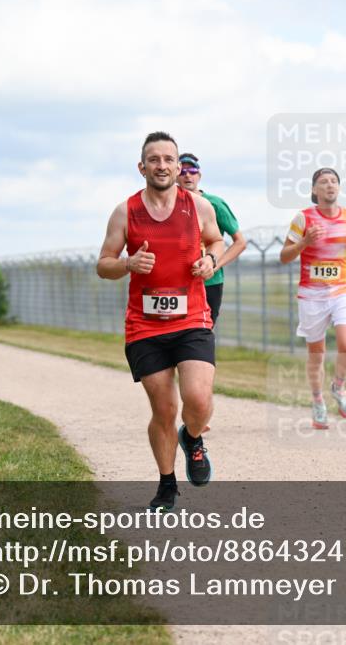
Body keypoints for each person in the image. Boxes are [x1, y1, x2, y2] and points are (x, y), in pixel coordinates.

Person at [96, 132, 225, 513]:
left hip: (191, 319)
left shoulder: (199, 208)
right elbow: (103, 264)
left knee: (198, 400)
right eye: (154, 159)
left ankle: (194, 437)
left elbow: (216, 242)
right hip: (145, 326)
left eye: (169, 159)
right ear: (142, 167)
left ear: (178, 166)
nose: (163, 165)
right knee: (164, 409)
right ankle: (167, 484)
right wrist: (127, 264)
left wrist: (211, 261)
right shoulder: (125, 212)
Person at [279, 168, 346, 430]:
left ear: (339, 187)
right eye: (323, 182)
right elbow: (284, 256)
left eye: (334, 181)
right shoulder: (303, 218)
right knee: (317, 355)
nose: (330, 185)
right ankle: (318, 402)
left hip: (342, 289)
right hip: (311, 295)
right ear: (314, 190)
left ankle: (338, 386)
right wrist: (304, 242)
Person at [176, 153, 246, 326]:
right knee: (176, 331)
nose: (187, 175)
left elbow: (240, 242)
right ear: (175, 175)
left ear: (199, 175)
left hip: (209, 282)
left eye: (192, 171)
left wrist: (215, 265)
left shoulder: (214, 204)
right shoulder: (168, 204)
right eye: (182, 171)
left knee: (204, 330)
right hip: (178, 281)